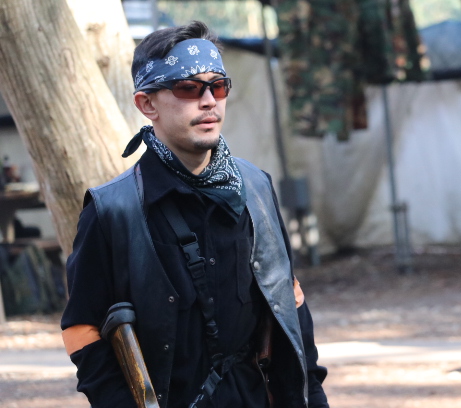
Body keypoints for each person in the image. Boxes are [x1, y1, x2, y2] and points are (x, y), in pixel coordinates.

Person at [60, 21, 330, 407]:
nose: (208, 101)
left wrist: (312, 398)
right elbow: (82, 330)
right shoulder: (111, 211)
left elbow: (289, 301)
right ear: (147, 104)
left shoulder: (256, 187)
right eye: (188, 88)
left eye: (218, 86)